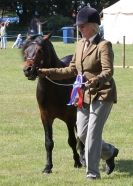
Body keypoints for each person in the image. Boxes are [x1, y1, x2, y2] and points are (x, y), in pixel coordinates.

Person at [38, 6, 119, 180]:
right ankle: (110, 152)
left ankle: (92, 174)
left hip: (102, 93)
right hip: (83, 94)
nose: (79, 29)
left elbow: (108, 71)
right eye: (78, 26)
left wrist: (96, 79)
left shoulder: (104, 45)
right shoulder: (80, 44)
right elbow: (72, 69)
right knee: (82, 133)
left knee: (92, 134)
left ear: (93, 26)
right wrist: (47, 72)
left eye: (82, 26)